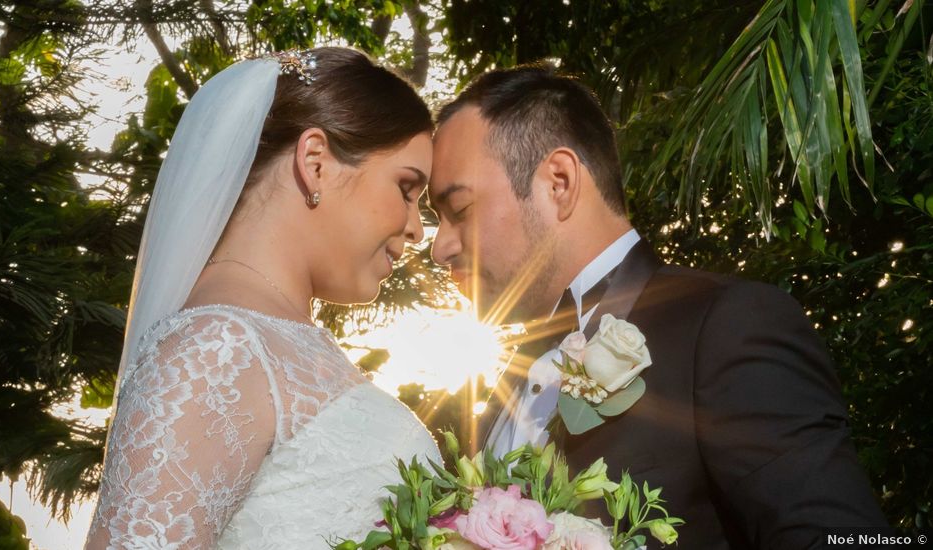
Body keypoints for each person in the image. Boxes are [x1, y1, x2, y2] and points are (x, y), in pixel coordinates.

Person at [428, 65, 890, 549]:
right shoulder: (496, 405)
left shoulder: (724, 326)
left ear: (558, 183)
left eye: (458, 210)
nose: (440, 248)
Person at [85, 47, 440, 548]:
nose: (417, 229)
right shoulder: (215, 349)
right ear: (315, 163)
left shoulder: (277, 344)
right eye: (406, 189)